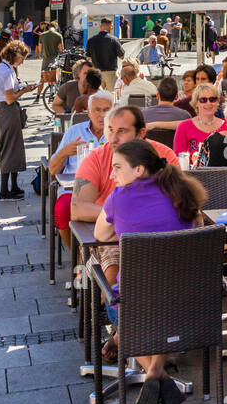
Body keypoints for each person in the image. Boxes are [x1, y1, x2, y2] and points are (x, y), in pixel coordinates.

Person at [95, 138, 207, 404]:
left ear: (139, 170)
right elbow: (199, 226)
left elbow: (100, 235)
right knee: (160, 308)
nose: (113, 174)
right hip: (186, 304)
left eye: (118, 167)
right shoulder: (183, 191)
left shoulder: (119, 198)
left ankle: (154, 372)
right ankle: (157, 371)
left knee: (128, 307)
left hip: (135, 307)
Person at [71, 106, 180, 287]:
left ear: (141, 133)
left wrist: (128, 214)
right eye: (110, 130)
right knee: (114, 265)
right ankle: (106, 311)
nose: (113, 139)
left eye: (122, 131)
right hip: (112, 234)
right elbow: (77, 209)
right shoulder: (96, 158)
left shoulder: (165, 155)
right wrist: (125, 215)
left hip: (162, 236)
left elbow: (180, 200)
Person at [50, 90, 113, 246]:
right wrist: (64, 152)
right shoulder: (74, 132)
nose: (102, 115)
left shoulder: (116, 134)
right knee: (63, 209)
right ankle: (78, 257)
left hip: (107, 191)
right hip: (74, 190)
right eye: (97, 110)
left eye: (107, 110)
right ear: (89, 113)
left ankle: (105, 255)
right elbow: (52, 170)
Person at [0, 38, 36, 199]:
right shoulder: (7, 71)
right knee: (11, 148)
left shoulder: (0, 68)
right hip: (9, 110)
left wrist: (24, 88)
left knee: (11, 147)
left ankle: (13, 186)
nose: (23, 62)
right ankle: (5, 190)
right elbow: (10, 98)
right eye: (22, 58)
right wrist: (24, 91)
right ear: (16, 55)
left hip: (3, 111)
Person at [172, 83, 227, 160]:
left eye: (212, 99)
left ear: (217, 102)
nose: (208, 103)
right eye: (203, 100)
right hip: (192, 172)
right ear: (196, 103)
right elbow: (178, 159)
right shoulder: (184, 127)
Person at [85, 18, 124, 92]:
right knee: (113, 97)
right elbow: (122, 56)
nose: (112, 27)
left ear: (100, 26)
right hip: (111, 73)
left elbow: (88, 57)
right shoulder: (113, 39)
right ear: (109, 26)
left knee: (97, 96)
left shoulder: (91, 40)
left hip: (97, 73)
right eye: (111, 26)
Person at [34, 22, 64, 101]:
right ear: (56, 27)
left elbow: (40, 48)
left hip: (45, 60)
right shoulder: (58, 35)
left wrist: (41, 54)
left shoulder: (43, 35)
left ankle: (37, 97)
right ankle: (51, 96)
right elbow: (61, 49)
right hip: (54, 60)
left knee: (42, 78)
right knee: (53, 79)